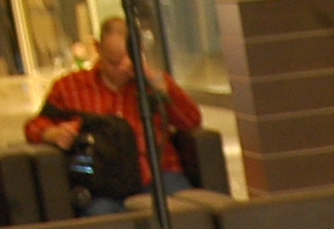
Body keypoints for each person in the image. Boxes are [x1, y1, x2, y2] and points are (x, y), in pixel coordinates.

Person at [26, 18, 203, 214]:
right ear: (98, 48)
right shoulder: (70, 87)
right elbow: (34, 125)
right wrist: (52, 133)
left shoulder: (151, 84)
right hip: (106, 184)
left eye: (128, 60)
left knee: (189, 213)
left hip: (157, 173)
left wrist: (155, 81)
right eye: (113, 62)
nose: (122, 69)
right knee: (102, 217)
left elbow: (191, 120)